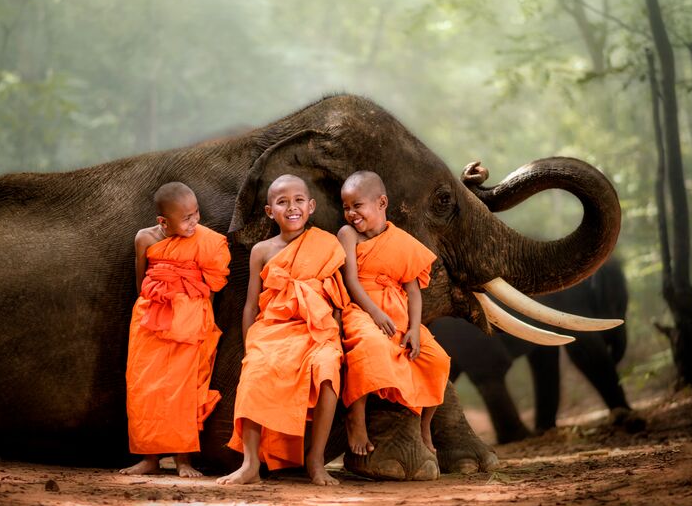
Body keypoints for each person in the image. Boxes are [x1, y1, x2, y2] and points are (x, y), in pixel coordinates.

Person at [217, 175, 346, 486]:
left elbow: (338, 298)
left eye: (299, 200)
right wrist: (251, 345)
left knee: (328, 367)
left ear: (311, 206)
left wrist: (335, 336)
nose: (292, 207)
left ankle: (315, 461)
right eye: (282, 202)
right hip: (272, 328)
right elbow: (251, 304)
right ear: (268, 211)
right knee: (256, 370)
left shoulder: (326, 244)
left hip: (316, 329)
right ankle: (250, 464)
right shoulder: (261, 250)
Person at [120, 182, 230, 477]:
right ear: (163, 222)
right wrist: (151, 307)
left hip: (190, 320)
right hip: (150, 318)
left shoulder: (205, 240)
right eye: (186, 218)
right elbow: (141, 280)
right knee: (145, 387)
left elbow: (213, 284)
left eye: (196, 214)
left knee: (185, 389)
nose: (194, 222)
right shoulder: (144, 238)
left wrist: (203, 320)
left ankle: (184, 461)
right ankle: (149, 459)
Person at [338, 170, 450, 457]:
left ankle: (424, 425)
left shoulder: (401, 240)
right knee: (370, 347)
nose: (351, 213)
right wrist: (374, 314)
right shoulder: (348, 234)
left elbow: (412, 290)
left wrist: (414, 329)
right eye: (346, 207)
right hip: (362, 309)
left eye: (357, 205)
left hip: (397, 313)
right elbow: (351, 281)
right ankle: (356, 419)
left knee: (437, 359)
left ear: (381, 202)